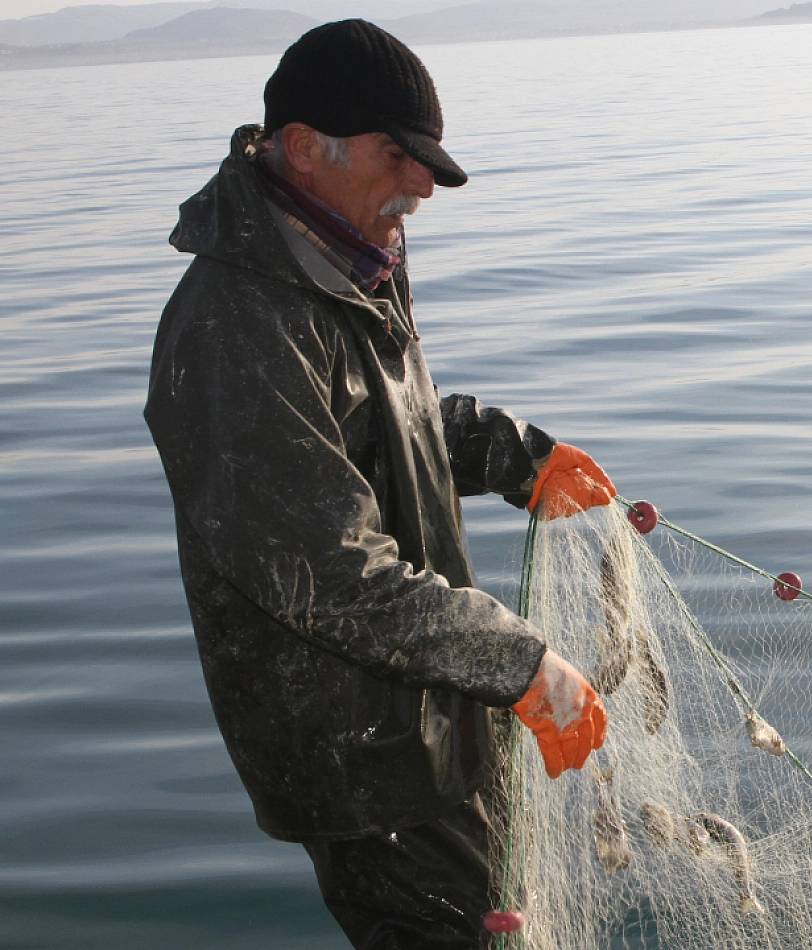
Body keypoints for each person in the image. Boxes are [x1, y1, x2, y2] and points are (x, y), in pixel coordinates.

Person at [144, 19, 607, 948]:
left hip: (433, 715)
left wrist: (513, 458)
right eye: (402, 156)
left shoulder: (350, 256)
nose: (423, 185)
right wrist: (515, 661)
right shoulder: (235, 324)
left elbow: (378, 423)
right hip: (364, 762)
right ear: (307, 149)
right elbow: (325, 569)